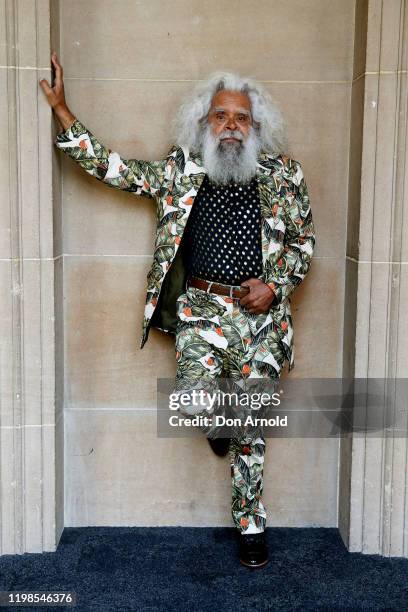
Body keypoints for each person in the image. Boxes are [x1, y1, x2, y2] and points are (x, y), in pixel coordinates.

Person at [39, 51, 315, 569]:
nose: (231, 126)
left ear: (256, 126)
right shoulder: (179, 169)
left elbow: (303, 241)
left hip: (261, 320)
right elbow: (115, 170)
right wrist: (62, 109)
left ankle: (251, 523)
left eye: (241, 118)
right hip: (201, 312)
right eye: (221, 116)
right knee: (195, 401)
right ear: (204, 121)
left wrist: (276, 286)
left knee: (252, 428)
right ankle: (217, 421)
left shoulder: (285, 175)